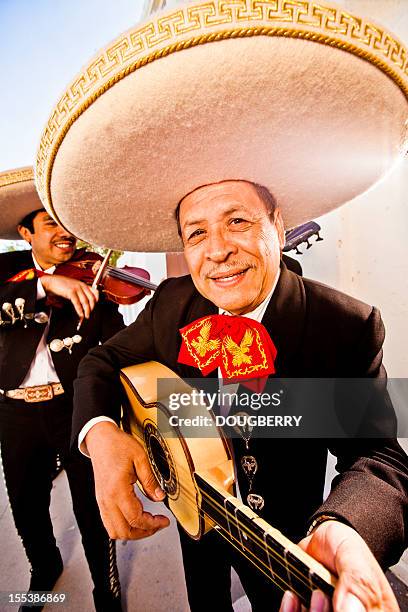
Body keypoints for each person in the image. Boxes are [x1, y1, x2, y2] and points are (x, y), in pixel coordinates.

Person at [72, 180, 408, 612]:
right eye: (197, 233)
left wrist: (346, 527)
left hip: (289, 539)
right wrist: (100, 435)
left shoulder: (344, 325)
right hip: (193, 513)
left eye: (237, 222)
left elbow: (379, 459)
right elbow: (99, 361)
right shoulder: (172, 303)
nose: (217, 250)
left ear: (278, 226)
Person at [0, 169, 124, 612]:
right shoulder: (7, 271)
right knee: (26, 503)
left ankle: (106, 589)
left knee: (92, 505)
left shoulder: (96, 277)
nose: (64, 232)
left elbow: (115, 344)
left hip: (75, 407)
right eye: (50, 222)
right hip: (15, 412)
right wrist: (45, 283)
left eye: (66, 221)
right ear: (25, 232)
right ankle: (43, 568)